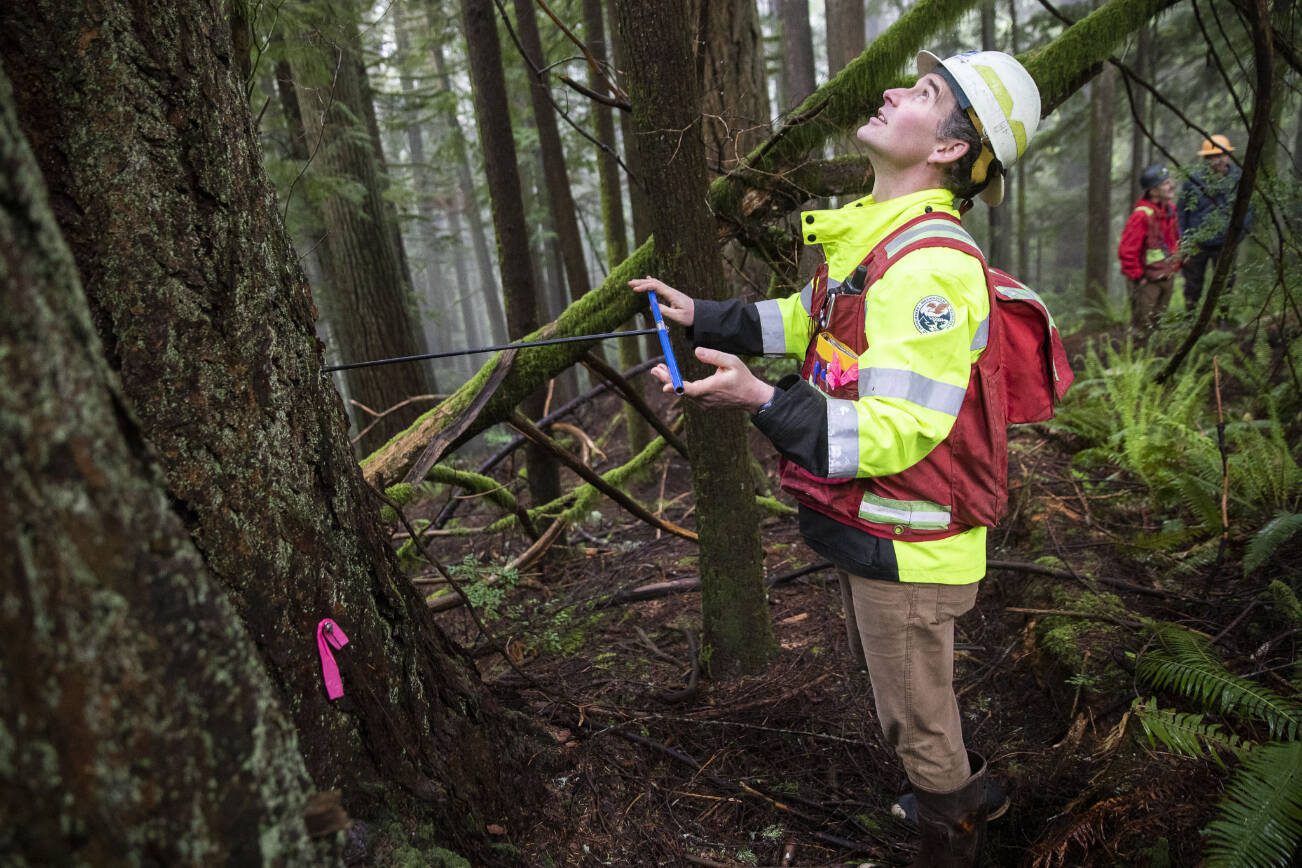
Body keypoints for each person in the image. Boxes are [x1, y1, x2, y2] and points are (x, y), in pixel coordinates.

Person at [630, 49, 1040, 867]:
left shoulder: (928, 269)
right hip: (884, 531)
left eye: (922, 93)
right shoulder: (881, 239)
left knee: (914, 721)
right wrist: (706, 315)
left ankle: (955, 829)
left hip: (914, 546)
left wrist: (761, 401)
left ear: (951, 149)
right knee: (915, 698)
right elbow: (812, 317)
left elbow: (896, 430)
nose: (891, 91)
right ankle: (963, 788)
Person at [1178, 134, 1252, 311]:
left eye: (1221, 155)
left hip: (1225, 243)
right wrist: (1185, 240)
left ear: (1228, 155)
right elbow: (1182, 212)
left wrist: (1237, 235)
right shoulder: (1192, 181)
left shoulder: (1239, 179)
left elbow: (1249, 210)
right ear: (1206, 158)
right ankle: (1189, 319)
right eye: (1213, 156)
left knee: (1225, 283)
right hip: (1197, 243)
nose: (1218, 160)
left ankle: (1223, 320)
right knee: (1192, 283)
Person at [1117, 164, 1180, 331]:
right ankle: (1137, 355)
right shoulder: (1141, 215)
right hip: (1147, 282)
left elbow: (1175, 241)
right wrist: (1138, 278)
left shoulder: (1171, 211)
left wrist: (1175, 266)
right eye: (1165, 183)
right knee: (1142, 327)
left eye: (1169, 181)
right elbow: (1127, 251)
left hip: (1166, 277)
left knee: (1159, 325)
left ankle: (1157, 356)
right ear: (1153, 191)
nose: (1171, 185)